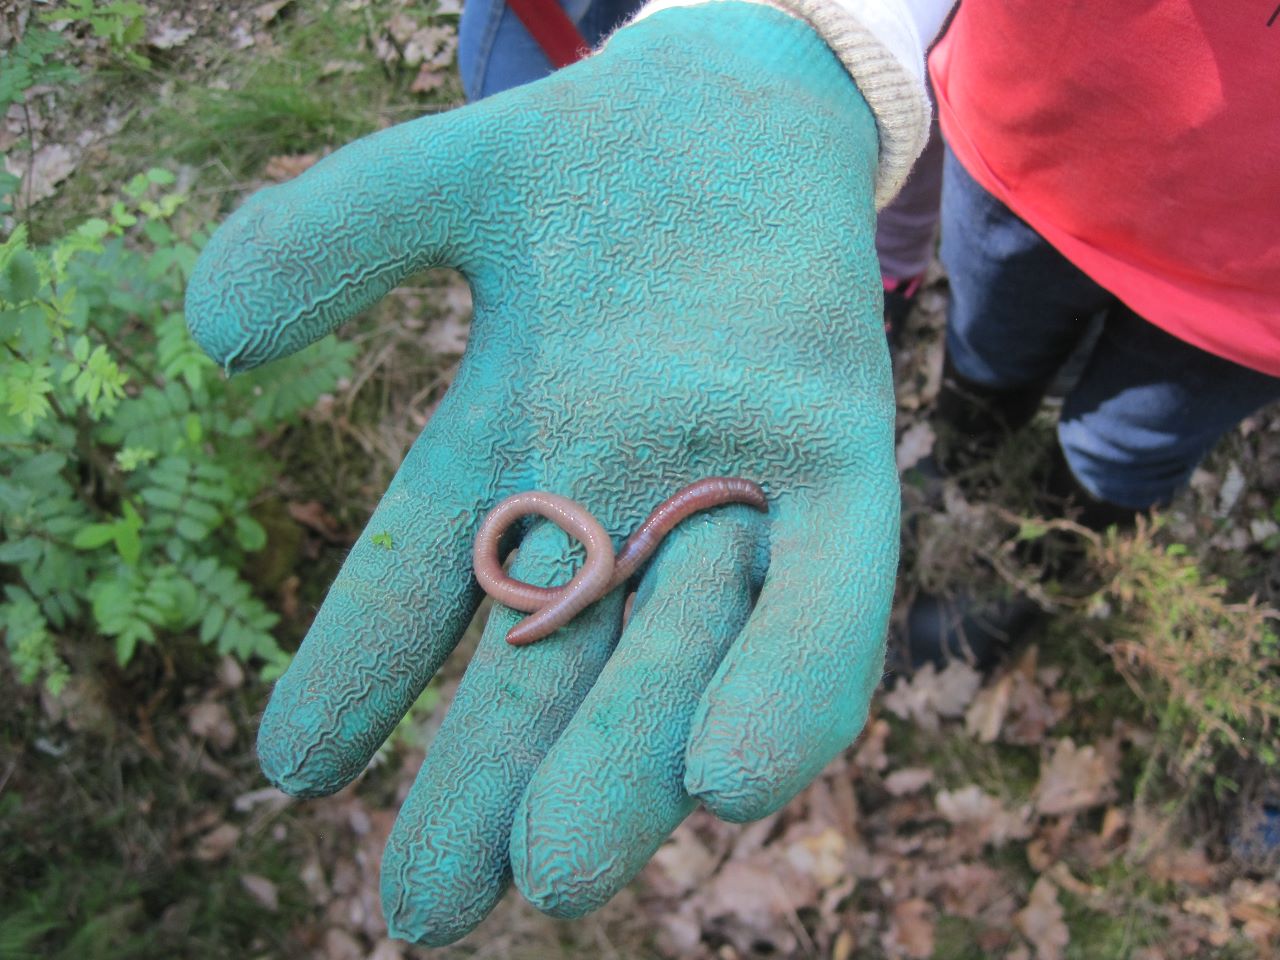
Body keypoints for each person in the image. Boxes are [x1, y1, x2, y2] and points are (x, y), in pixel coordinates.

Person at [183, 0, 1280, 946]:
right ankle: (968, 453)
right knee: (990, 359)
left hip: (1249, 309)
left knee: (1123, 444)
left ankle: (1035, 538)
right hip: (1028, 143)